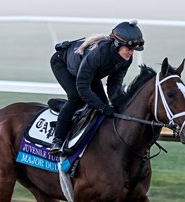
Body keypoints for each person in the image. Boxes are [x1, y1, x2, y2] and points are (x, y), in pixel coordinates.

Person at [49, 19, 145, 156]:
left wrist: (119, 106)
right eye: (129, 49)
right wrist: (102, 107)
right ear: (117, 45)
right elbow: (83, 87)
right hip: (62, 64)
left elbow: (113, 85)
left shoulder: (125, 59)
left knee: (103, 103)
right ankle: (58, 140)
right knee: (76, 97)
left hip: (88, 73)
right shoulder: (97, 55)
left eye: (133, 50)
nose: (131, 53)